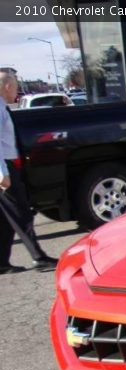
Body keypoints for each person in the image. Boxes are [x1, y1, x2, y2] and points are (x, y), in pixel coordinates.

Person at [0, 70, 58, 274]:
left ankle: (2, 263)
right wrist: (2, 173)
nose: (16, 91)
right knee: (21, 213)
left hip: (8, 166)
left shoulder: (2, 107)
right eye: (15, 86)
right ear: (7, 86)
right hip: (4, 169)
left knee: (6, 219)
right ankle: (39, 257)